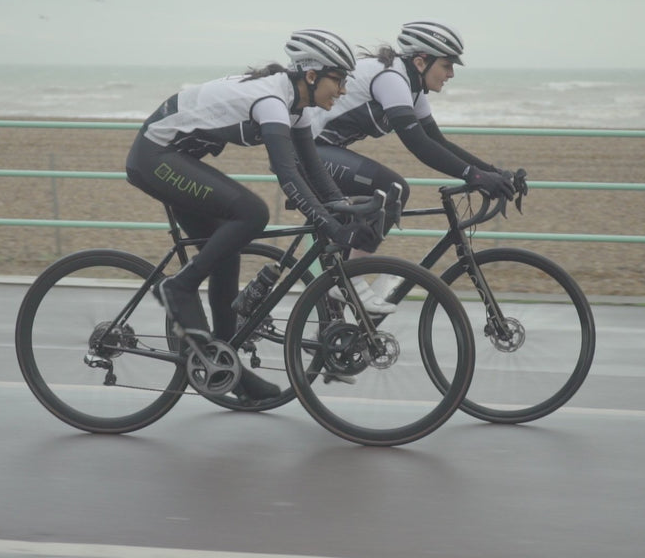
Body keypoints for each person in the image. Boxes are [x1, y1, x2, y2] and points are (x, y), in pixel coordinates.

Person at [125, 29, 379, 404]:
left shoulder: (295, 107)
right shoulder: (272, 101)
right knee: (252, 211)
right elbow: (287, 174)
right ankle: (177, 287)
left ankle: (227, 365)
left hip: (178, 157)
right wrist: (327, 224)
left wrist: (343, 211)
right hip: (155, 157)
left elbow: (314, 170)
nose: (342, 91)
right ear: (311, 75)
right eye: (338, 80)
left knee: (227, 251)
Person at [309, 20, 520, 303]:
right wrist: (474, 176)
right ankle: (352, 278)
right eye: (447, 65)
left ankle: (333, 313)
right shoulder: (391, 78)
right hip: (306, 152)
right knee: (392, 189)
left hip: (323, 150)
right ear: (421, 61)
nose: (451, 74)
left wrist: (491, 172)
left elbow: (438, 141)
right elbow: (418, 145)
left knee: (364, 216)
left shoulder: (412, 87)